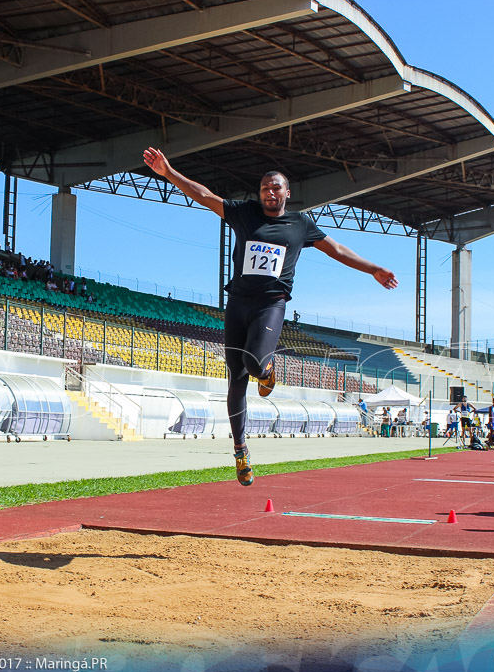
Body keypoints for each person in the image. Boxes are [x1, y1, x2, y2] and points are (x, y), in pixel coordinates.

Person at [143, 146, 397, 486]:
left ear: (286, 193)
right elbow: (204, 196)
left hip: (270, 304)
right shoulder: (245, 213)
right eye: (265, 187)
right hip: (237, 303)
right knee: (234, 381)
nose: (270, 192)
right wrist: (170, 172)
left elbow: (336, 250)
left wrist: (373, 269)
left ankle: (266, 370)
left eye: (276, 187)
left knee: (252, 364)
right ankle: (240, 450)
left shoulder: (300, 224)